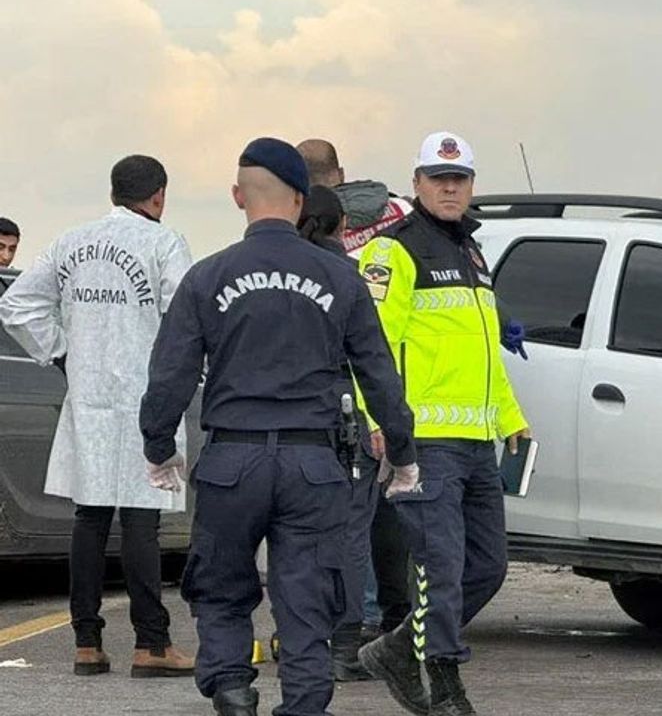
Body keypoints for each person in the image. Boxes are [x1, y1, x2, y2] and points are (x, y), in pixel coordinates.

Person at [138, 137, 420, 716]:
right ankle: (305, 703)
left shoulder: (207, 277)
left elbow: (169, 375)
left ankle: (231, 688)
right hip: (312, 464)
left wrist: (159, 446)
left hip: (231, 461)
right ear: (300, 200)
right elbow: (378, 373)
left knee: (220, 586)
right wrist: (402, 450)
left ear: (237, 196)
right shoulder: (341, 277)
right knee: (307, 597)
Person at [0, 156, 195, 678]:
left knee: (89, 519)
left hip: (88, 398)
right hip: (145, 397)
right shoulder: (164, 244)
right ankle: (151, 643)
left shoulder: (71, 243)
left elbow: (16, 305)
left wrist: (62, 351)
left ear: (113, 193)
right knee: (141, 522)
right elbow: (184, 319)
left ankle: (86, 642)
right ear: (159, 196)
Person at [357, 131, 530, 716]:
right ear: (417, 184)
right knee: (442, 567)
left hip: (477, 440)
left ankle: (397, 649)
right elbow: (370, 345)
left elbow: (484, 353)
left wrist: (511, 418)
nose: (449, 188)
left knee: (488, 566)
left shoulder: (472, 252)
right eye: (438, 178)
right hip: (425, 440)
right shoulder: (393, 251)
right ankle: (447, 686)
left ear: (472, 185)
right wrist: (378, 419)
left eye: (459, 179)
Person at [297, 139, 418, 651]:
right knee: (388, 515)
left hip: (336, 395)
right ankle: (393, 614)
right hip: (399, 383)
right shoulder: (401, 213)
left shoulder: (306, 233)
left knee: (344, 518)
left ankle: (352, 622)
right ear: (341, 172)